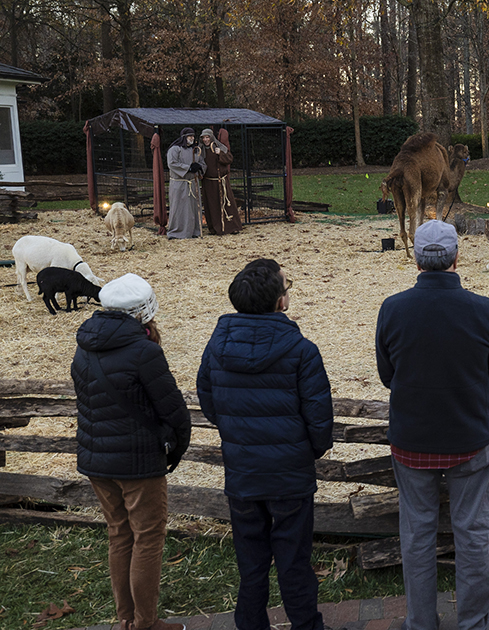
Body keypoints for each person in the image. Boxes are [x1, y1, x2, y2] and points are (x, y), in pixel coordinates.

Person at [375, 220, 489, 630]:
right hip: (468, 436)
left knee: (416, 534)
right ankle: (473, 620)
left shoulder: (393, 309)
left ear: (416, 259)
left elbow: (386, 373)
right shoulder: (484, 310)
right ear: (456, 257)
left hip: (412, 439)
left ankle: (420, 622)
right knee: (471, 530)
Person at [196, 259, 333, 630]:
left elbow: (208, 402)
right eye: (287, 286)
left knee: (251, 563)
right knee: (294, 562)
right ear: (280, 303)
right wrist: (307, 451)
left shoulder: (217, 347)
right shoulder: (302, 351)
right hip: (290, 477)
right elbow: (320, 421)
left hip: (243, 474)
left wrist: (237, 432)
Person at [72, 273, 192, 630]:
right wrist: (174, 450)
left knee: (119, 533)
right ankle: (146, 623)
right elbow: (174, 412)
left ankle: (126, 619)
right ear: (143, 312)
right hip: (138, 462)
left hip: (96, 459)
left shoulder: (85, 344)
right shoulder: (144, 352)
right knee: (148, 537)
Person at [199, 128, 242, 236]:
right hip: (208, 183)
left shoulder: (219, 147)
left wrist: (220, 154)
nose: (206, 140)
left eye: (207, 137)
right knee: (212, 206)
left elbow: (229, 159)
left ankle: (232, 227)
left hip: (221, 182)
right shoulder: (200, 150)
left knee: (227, 204)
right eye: (204, 138)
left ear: (211, 137)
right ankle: (215, 228)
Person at [166, 127, 205, 240]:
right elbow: (172, 163)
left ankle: (194, 231)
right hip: (180, 184)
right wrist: (188, 168)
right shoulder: (175, 149)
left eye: (193, 136)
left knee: (193, 208)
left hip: (193, 183)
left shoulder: (196, 150)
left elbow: (202, 163)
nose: (192, 138)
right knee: (179, 208)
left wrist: (199, 168)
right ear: (184, 137)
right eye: (189, 136)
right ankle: (177, 232)